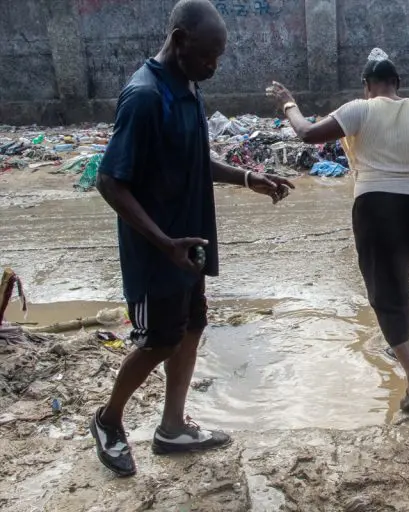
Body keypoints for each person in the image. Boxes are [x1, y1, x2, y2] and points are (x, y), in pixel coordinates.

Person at [92, 0, 294, 477]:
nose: (213, 66)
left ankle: (173, 426)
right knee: (159, 339)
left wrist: (248, 179)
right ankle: (107, 420)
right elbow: (109, 181)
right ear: (180, 41)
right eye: (208, 56)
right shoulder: (144, 96)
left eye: (218, 57)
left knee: (193, 327)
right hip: (157, 252)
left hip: (191, 246)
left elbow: (193, 159)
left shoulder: (186, 86)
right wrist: (164, 243)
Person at [266, 49, 409, 410]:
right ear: (397, 84)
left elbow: (306, 133)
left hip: (374, 205)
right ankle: (400, 337)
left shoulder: (359, 109)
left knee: (382, 290)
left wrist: (289, 104)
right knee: (396, 280)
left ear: (367, 86)